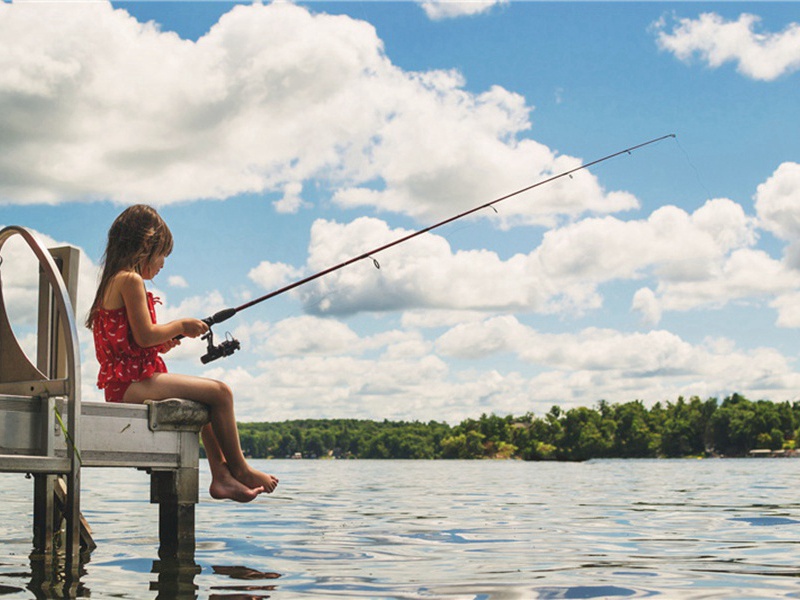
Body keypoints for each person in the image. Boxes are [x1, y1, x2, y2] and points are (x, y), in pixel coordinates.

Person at [86, 204, 278, 503]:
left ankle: (221, 477)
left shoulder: (112, 281)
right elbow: (146, 335)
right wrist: (181, 325)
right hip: (130, 385)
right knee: (221, 392)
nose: (163, 264)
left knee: (205, 402)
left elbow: (135, 341)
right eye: (162, 253)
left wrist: (162, 344)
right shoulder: (130, 280)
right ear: (146, 245)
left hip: (123, 383)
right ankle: (240, 468)